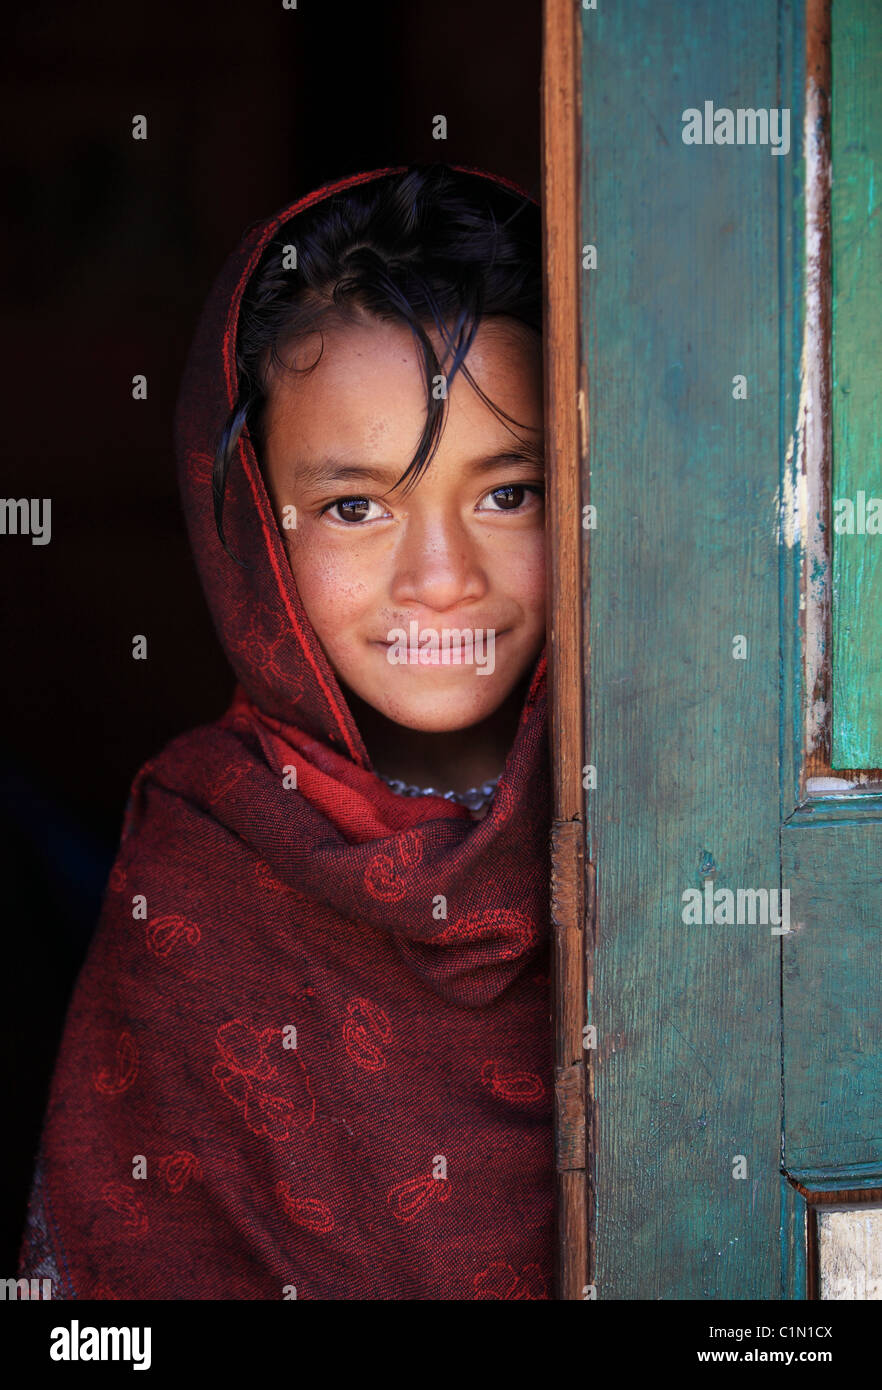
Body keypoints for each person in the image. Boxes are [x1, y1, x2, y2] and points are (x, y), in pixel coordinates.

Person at [19, 162, 554, 1300]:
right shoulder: (203, 869)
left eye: (508, 491)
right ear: (254, 525)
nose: (443, 578)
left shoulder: (682, 810)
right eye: (357, 506)